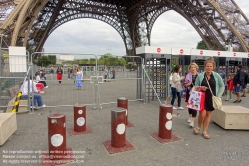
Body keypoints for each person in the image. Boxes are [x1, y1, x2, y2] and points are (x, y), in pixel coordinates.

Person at [193, 57, 224, 139]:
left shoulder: (217, 76)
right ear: (204, 67)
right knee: (202, 114)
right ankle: (198, 126)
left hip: (212, 98)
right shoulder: (200, 76)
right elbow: (195, 86)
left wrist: (218, 95)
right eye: (207, 66)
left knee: (208, 115)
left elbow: (222, 86)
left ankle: (204, 131)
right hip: (202, 97)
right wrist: (200, 87)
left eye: (210, 66)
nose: (209, 68)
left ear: (213, 67)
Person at [184, 63, 199, 127]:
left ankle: (192, 121)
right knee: (189, 105)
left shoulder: (199, 75)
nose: (193, 68)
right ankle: (190, 117)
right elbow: (185, 84)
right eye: (191, 67)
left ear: (196, 68)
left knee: (194, 106)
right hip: (189, 92)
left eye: (194, 67)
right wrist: (188, 84)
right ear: (190, 69)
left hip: (196, 92)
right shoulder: (188, 75)